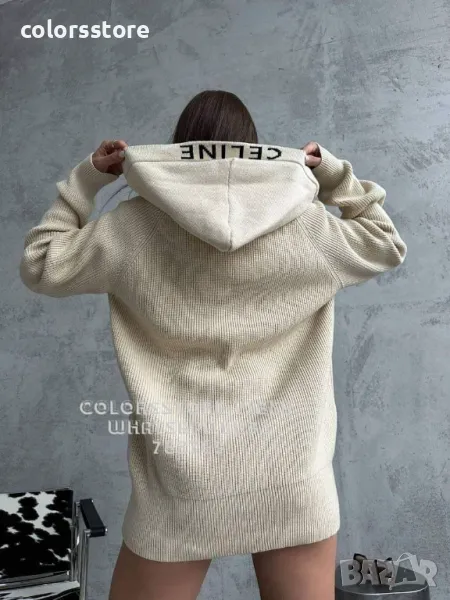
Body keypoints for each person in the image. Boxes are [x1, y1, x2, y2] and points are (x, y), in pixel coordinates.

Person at [19, 90, 407, 600]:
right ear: (254, 148)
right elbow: (386, 243)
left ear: (179, 145)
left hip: (179, 485)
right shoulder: (309, 227)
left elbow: (41, 262)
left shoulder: (131, 227)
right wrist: (334, 176)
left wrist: (87, 178)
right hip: (292, 478)